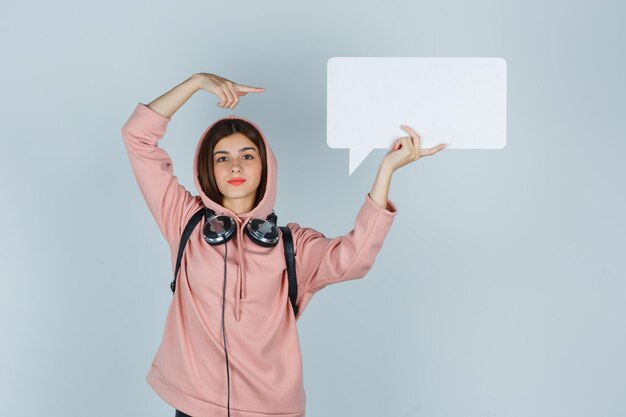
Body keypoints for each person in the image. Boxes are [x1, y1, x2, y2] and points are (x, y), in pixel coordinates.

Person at [121, 72, 447, 417]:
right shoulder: (185, 220)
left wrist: (386, 172)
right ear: (208, 170)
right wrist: (196, 82)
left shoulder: (293, 245)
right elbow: (137, 137)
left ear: (265, 166)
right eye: (222, 158)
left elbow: (354, 259)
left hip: (272, 410)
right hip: (194, 405)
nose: (235, 166)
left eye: (248, 155)